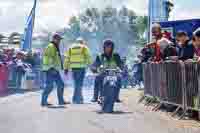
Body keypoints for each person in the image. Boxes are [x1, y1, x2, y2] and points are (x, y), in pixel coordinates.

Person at [41, 33, 66, 107]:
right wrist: (51, 68)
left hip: (54, 69)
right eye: (58, 39)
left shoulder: (54, 46)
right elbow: (48, 58)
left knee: (60, 84)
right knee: (50, 86)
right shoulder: (51, 46)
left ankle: (61, 101)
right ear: (54, 39)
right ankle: (43, 101)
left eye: (60, 40)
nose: (59, 41)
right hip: (51, 69)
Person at [64, 37, 92, 104]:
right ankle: (78, 99)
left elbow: (67, 58)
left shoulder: (71, 48)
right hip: (81, 68)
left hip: (73, 68)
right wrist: (91, 66)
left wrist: (66, 68)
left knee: (76, 83)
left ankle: (77, 98)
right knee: (79, 84)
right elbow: (88, 57)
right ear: (82, 42)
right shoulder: (84, 47)